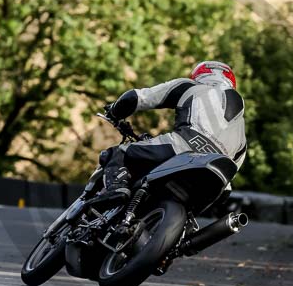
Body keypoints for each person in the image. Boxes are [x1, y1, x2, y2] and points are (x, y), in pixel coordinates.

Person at [99, 60, 247, 200]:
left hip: (183, 147)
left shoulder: (191, 86)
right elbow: (229, 183)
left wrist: (114, 111)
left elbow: (137, 98)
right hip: (219, 172)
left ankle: (116, 190)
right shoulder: (240, 127)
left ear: (200, 74)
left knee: (117, 153)